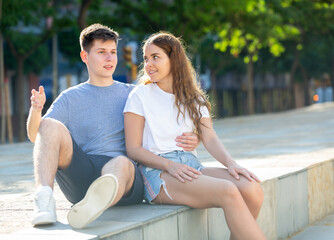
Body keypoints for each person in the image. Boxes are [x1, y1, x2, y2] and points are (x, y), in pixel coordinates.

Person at [27, 24, 199, 229]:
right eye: (101, 52)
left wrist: (195, 136)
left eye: (113, 52)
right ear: (85, 56)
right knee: (49, 124)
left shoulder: (135, 93)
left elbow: (166, 122)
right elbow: (36, 137)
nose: (110, 58)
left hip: (126, 178)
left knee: (121, 162)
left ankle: (98, 202)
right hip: (83, 175)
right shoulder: (69, 98)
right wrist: (36, 111)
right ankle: (44, 200)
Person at [123, 32, 266, 240]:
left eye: (155, 57)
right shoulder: (139, 96)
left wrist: (231, 163)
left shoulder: (194, 97)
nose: (148, 64)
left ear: (174, 59)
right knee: (228, 190)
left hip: (190, 166)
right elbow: (133, 149)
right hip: (158, 174)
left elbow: (210, 138)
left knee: (252, 188)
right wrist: (169, 165)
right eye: (145, 58)